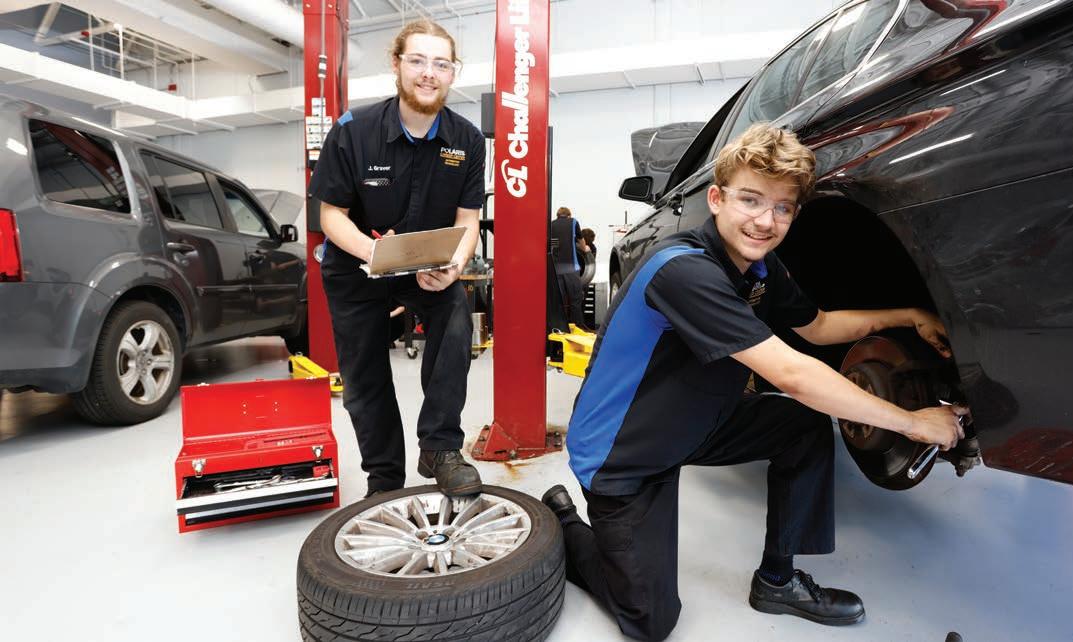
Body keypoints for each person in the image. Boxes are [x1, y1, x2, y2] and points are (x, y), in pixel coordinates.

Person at [541, 123, 967, 640]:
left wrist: (908, 315)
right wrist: (912, 423)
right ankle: (564, 522)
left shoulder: (761, 269)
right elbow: (793, 373)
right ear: (717, 199)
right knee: (649, 623)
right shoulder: (682, 271)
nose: (765, 221)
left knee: (802, 425)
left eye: (782, 207)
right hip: (625, 453)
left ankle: (777, 581)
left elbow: (820, 326)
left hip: (696, 421)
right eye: (750, 200)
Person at [308, 19, 485, 498]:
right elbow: (330, 215)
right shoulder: (353, 131)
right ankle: (384, 479)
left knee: (455, 314)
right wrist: (375, 252)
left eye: (441, 64)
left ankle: (440, 448)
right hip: (355, 266)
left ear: (452, 73)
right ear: (397, 65)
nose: (429, 73)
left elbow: (468, 220)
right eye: (418, 60)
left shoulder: (467, 140)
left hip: (423, 266)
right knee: (364, 374)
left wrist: (454, 266)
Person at [550, 206, 586, 328]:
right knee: (575, 300)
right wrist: (585, 248)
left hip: (556, 270)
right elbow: (581, 242)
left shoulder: (551, 225)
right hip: (571, 269)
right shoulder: (573, 222)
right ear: (569, 215)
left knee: (558, 302)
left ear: (557, 215)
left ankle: (559, 328)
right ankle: (577, 327)